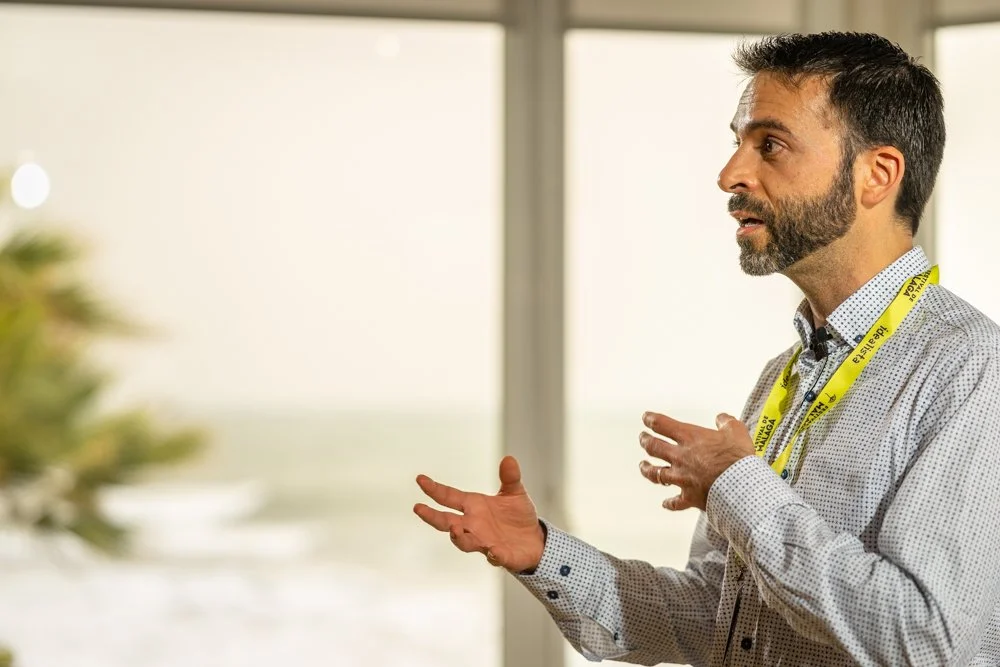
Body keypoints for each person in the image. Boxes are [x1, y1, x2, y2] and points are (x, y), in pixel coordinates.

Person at [413, 32, 1000, 666]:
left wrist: (735, 485)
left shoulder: (971, 368)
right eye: (738, 142)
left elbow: (926, 643)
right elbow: (716, 621)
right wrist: (543, 552)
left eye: (770, 145)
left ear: (876, 175)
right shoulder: (786, 374)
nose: (729, 176)